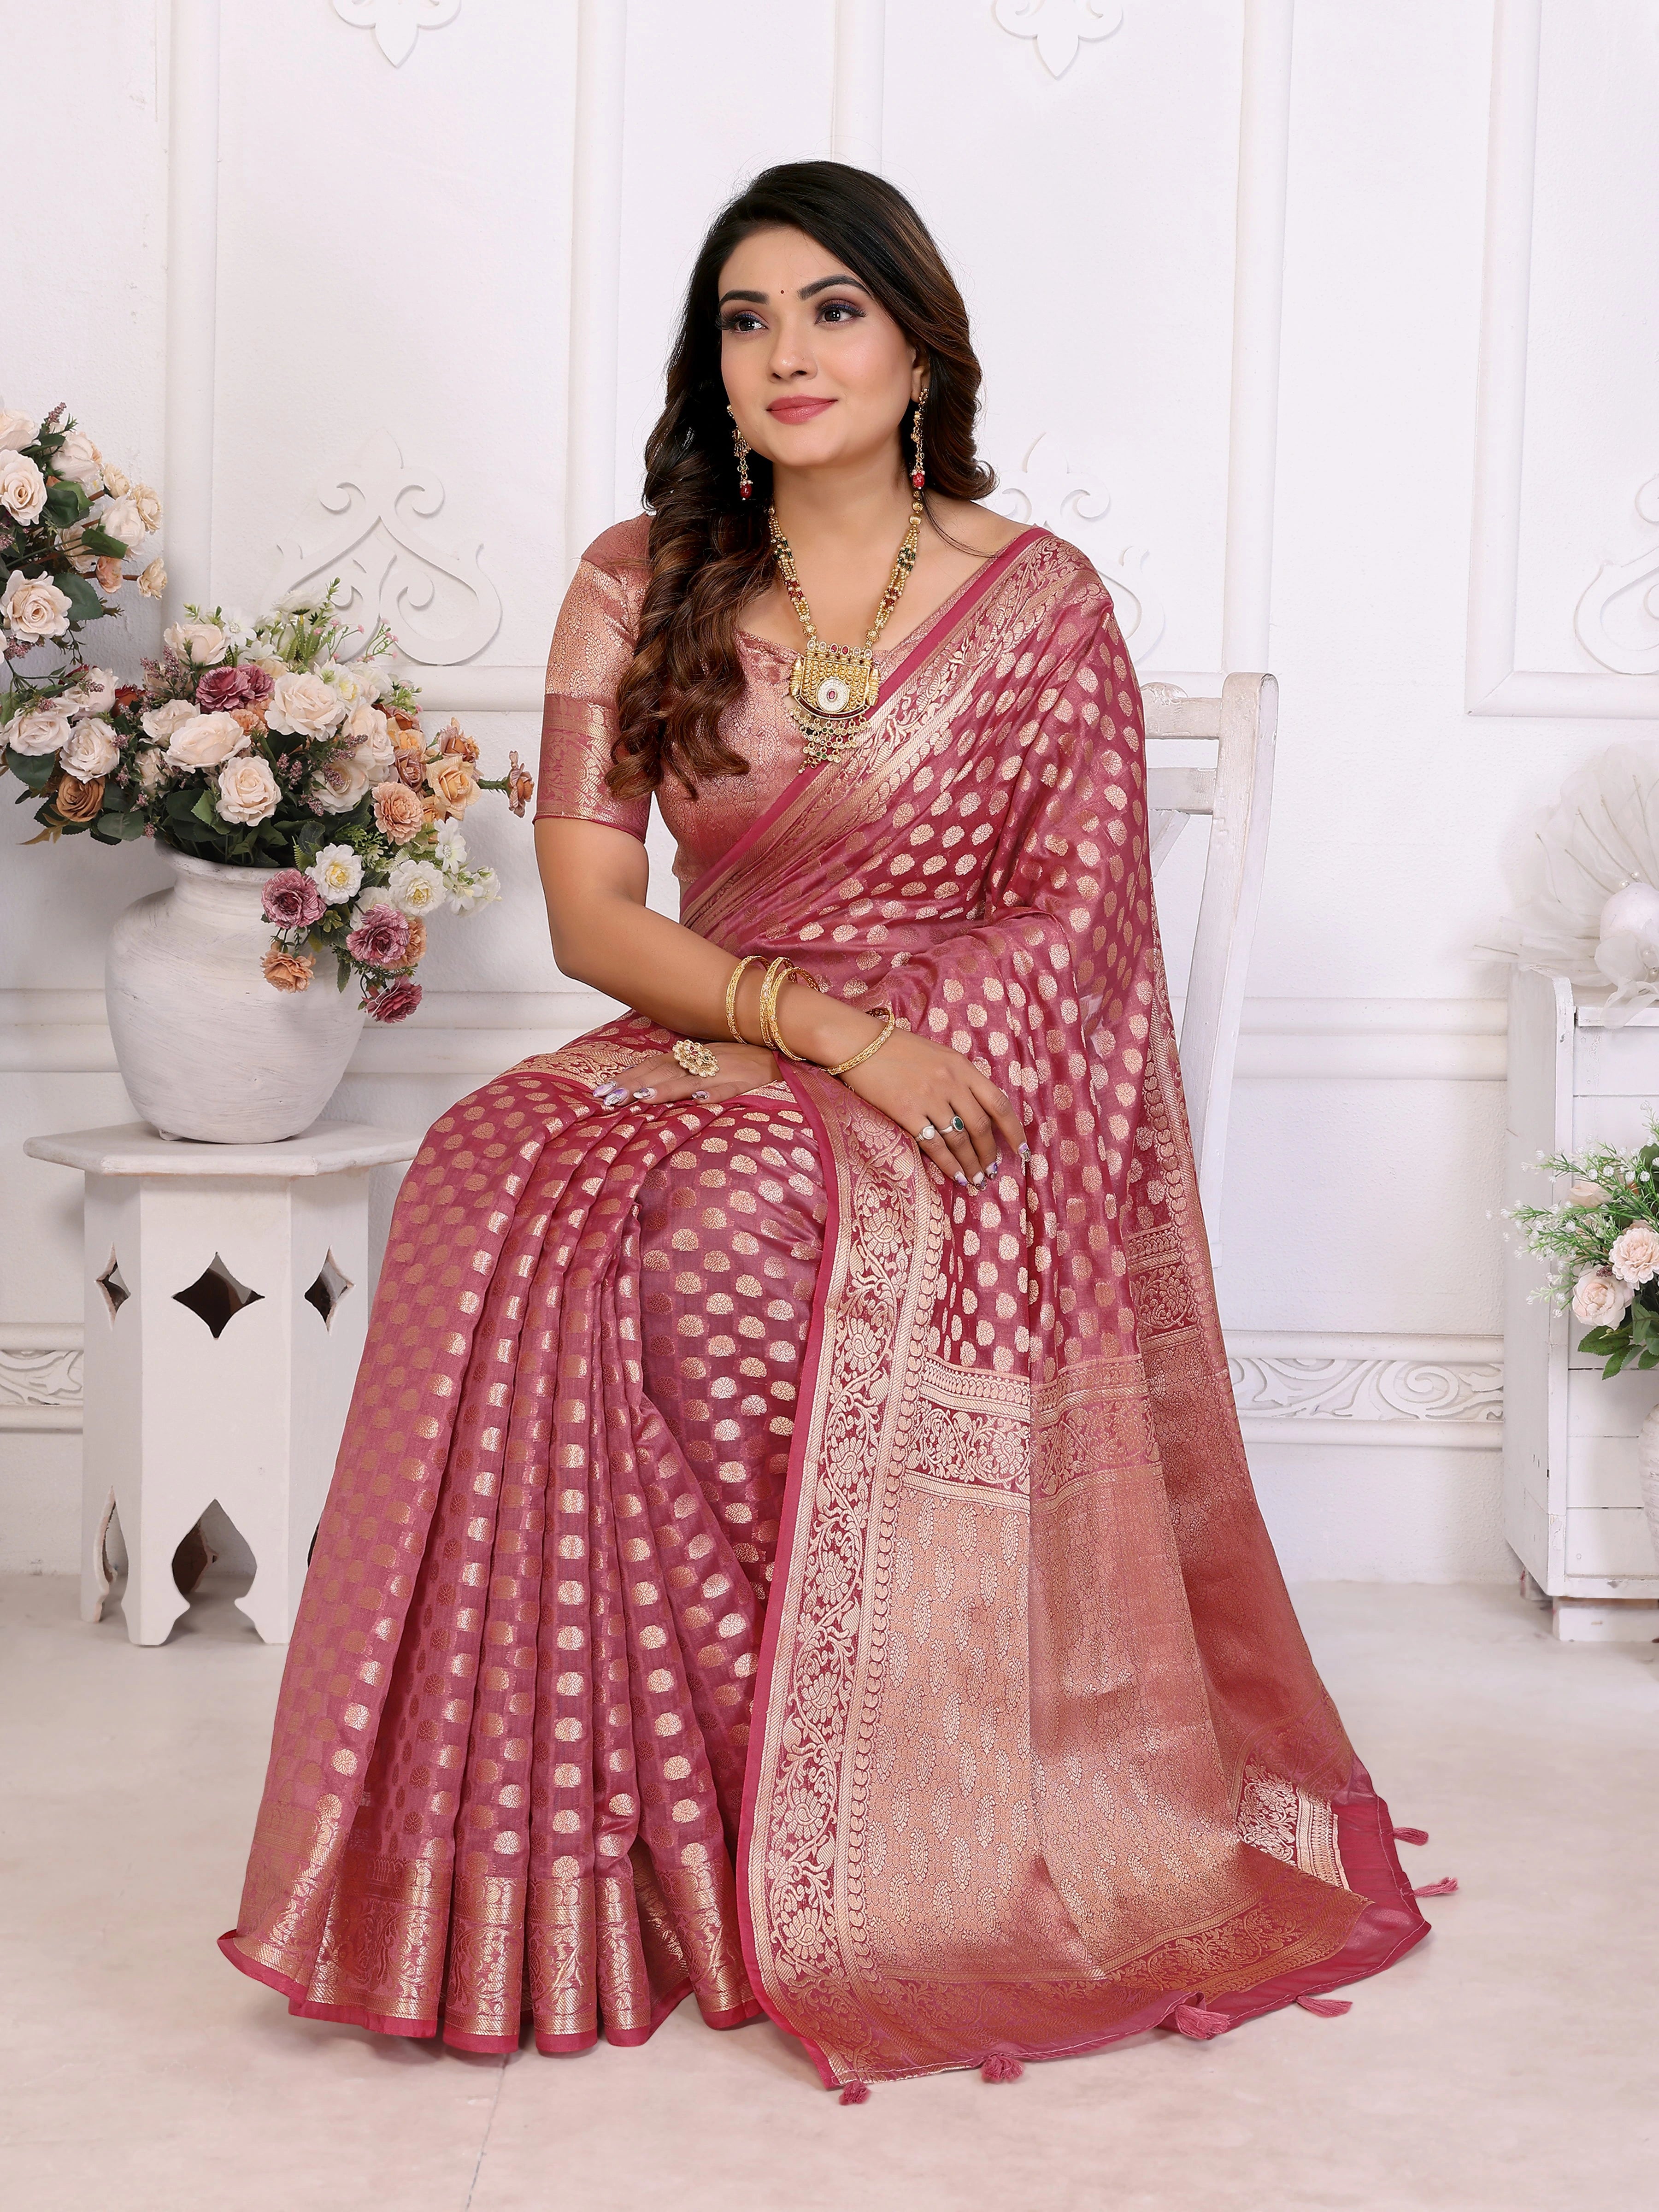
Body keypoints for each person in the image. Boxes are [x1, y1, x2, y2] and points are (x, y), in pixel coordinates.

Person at [221, 161, 1429, 2091]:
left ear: (919, 345)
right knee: (478, 1171)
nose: (787, 352)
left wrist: (892, 1047)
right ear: (712, 363)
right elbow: (593, 917)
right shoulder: (637, 582)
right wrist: (819, 1029)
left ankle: (812, 1797)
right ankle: (604, 1837)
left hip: (970, 1080)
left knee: (710, 1227)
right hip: (727, 1028)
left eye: (832, 310)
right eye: (746, 317)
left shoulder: (1040, 606)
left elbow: (1079, 926)